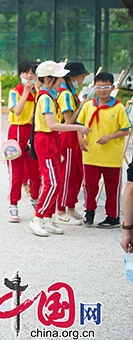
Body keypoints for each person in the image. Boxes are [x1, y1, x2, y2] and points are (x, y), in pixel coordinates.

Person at [28, 61, 91, 237]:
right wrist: (78, 128)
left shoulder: (50, 95)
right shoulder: (47, 98)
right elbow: (52, 125)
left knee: (55, 181)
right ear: (48, 79)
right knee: (53, 182)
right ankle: (38, 218)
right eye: (58, 77)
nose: (61, 80)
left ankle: (47, 218)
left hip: (51, 141)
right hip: (46, 141)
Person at [76, 72, 131, 228]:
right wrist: (80, 139)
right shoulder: (88, 105)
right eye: (99, 87)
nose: (102, 91)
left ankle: (112, 217)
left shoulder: (119, 107)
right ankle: (89, 211)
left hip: (111, 156)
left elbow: (126, 130)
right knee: (89, 186)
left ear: (112, 88)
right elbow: (79, 125)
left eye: (106, 87)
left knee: (112, 187)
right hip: (91, 153)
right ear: (95, 87)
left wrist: (109, 136)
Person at [55, 61, 90, 225]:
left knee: (75, 173)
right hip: (67, 136)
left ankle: (70, 206)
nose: (82, 79)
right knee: (67, 174)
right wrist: (81, 106)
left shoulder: (70, 92)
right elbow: (69, 120)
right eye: (82, 76)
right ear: (73, 77)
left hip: (72, 136)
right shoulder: (65, 94)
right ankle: (61, 210)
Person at [6, 61, 41, 223]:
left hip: (33, 135)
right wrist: (26, 92)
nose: (29, 76)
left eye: (32, 73)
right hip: (16, 133)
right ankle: (13, 204)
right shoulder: (15, 92)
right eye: (25, 73)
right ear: (20, 74)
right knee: (16, 173)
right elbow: (17, 110)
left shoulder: (39, 93)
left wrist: (36, 91)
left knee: (35, 172)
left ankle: (35, 199)